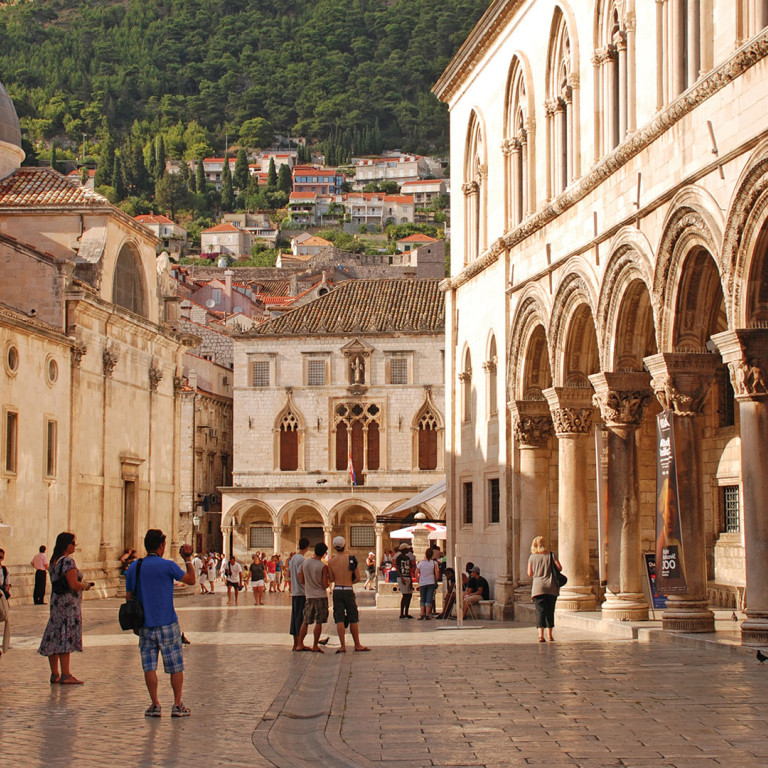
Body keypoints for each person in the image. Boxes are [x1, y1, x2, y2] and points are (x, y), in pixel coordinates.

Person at [125, 529, 196, 716]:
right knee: (175, 666)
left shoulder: (134, 567)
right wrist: (187, 559)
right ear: (162, 546)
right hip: (167, 623)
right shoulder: (167, 566)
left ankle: (155, 704)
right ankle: (177, 704)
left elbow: (128, 596)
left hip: (145, 625)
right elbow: (191, 580)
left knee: (149, 666)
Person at [38, 532, 92, 684]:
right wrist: (85, 586)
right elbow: (73, 585)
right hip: (68, 604)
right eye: (74, 543)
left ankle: (55, 674)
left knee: (54, 634)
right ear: (68, 544)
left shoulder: (54, 561)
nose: (75, 546)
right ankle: (66, 674)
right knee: (65, 635)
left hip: (56, 602)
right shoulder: (68, 562)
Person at [327, 536, 370, 653]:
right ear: (345, 545)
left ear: (335, 547)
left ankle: (342, 646)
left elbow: (331, 578)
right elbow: (358, 578)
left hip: (337, 589)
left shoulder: (331, 561)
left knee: (339, 618)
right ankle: (357, 644)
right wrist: (349, 582)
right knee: (353, 618)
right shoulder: (351, 558)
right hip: (348, 589)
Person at [296, 542, 330, 652]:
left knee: (305, 621)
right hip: (320, 596)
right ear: (324, 553)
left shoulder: (305, 563)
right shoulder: (323, 566)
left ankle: (300, 644)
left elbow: (301, 580)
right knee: (318, 622)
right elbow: (325, 585)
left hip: (309, 596)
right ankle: (315, 645)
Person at [527, 536, 561, 642]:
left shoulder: (532, 557)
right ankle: (550, 635)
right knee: (550, 610)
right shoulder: (551, 555)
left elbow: (529, 573)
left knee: (540, 611)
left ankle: (541, 636)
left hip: (538, 587)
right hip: (551, 586)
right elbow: (559, 568)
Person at [289, 538, 310, 649]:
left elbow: (289, 573)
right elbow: (300, 575)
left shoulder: (293, 558)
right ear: (307, 547)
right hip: (301, 592)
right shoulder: (302, 559)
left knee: (295, 617)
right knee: (301, 618)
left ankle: (295, 643)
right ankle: (299, 644)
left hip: (295, 591)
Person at [416, 547, 440, 620]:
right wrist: (435, 580)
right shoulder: (434, 563)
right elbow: (437, 573)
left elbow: (416, 573)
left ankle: (421, 614)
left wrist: (418, 580)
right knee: (429, 598)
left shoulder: (420, 563)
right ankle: (427, 614)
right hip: (431, 582)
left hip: (422, 582)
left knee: (422, 598)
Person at [395, 543, 414, 619]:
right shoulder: (399, 558)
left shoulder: (407, 558)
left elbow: (409, 568)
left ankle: (406, 612)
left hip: (407, 576)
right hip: (403, 577)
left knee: (409, 595)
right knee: (405, 595)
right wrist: (401, 577)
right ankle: (402, 613)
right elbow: (398, 568)